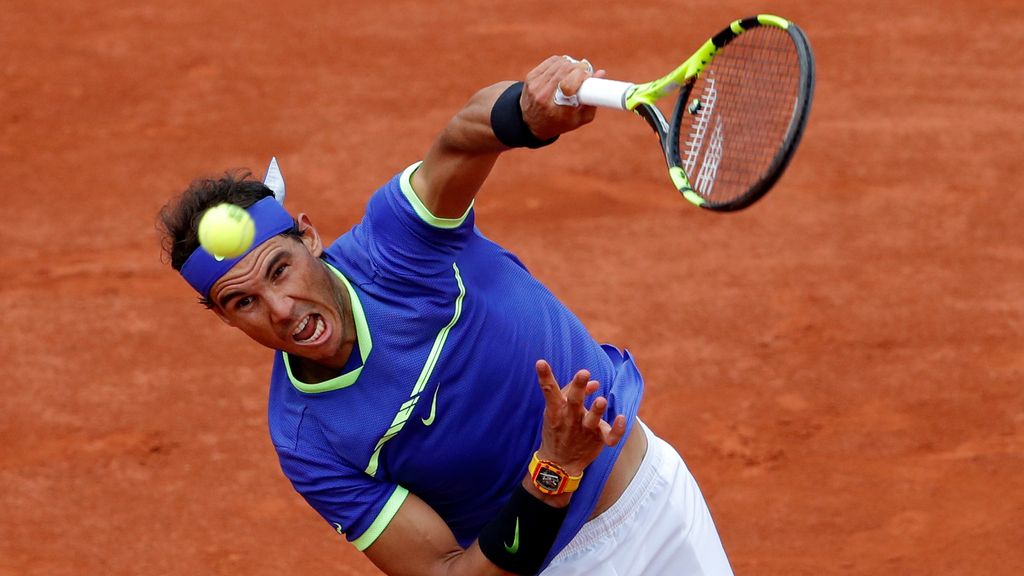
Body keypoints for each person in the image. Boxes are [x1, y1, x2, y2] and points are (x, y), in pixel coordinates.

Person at [158, 55, 733, 575]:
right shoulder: (309, 441)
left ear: (308, 236)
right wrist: (554, 471)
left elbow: (462, 139)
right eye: (244, 301)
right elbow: (445, 574)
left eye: (279, 269)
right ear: (224, 318)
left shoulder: (396, 244)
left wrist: (525, 113)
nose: (280, 310)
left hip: (654, 504)